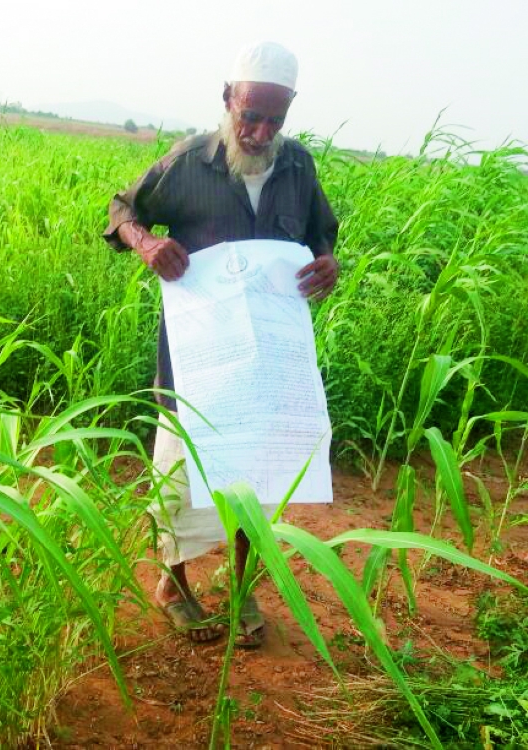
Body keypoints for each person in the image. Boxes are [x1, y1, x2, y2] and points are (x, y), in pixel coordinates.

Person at [103, 41, 339, 646]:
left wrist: (326, 263)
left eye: (274, 120)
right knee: (181, 467)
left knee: (254, 471)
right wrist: (147, 243)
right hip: (197, 359)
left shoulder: (298, 169)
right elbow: (122, 210)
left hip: (265, 361)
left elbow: (322, 236)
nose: (260, 132)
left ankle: (241, 585)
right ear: (227, 99)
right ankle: (173, 583)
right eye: (249, 116)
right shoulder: (189, 163)